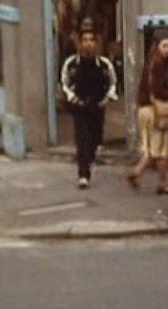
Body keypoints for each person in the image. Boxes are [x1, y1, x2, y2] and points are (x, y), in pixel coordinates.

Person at [61, 28, 118, 189]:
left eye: (91, 40)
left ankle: (90, 158)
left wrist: (106, 99)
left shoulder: (104, 64)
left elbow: (113, 83)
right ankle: (83, 174)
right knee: (82, 138)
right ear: (80, 43)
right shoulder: (72, 63)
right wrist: (74, 99)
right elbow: (64, 83)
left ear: (96, 43)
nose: (88, 43)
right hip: (80, 106)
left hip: (97, 105)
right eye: (84, 40)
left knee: (95, 138)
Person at [127, 35, 168, 195]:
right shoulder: (158, 64)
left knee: (155, 147)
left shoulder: (151, 62)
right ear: (157, 46)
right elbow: (158, 90)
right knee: (163, 149)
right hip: (155, 111)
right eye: (164, 46)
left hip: (146, 110)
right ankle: (161, 182)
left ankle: (138, 173)